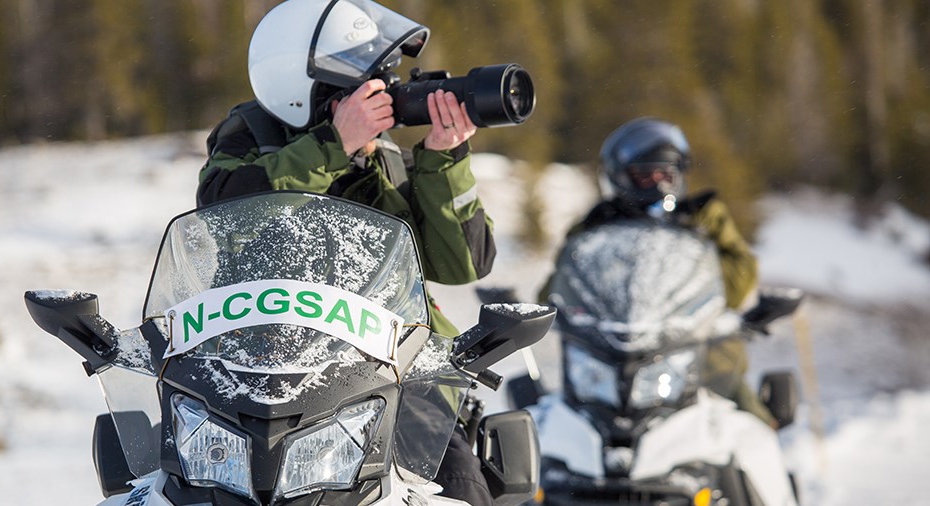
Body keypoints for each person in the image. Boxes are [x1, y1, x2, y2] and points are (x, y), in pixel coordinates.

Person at [195, 1, 494, 503]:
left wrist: (445, 159)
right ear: (309, 93)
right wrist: (333, 145)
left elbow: (462, 263)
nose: (386, 99)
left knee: (461, 485)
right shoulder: (251, 138)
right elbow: (224, 209)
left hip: (393, 369)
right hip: (262, 368)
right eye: (366, 87)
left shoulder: (386, 160)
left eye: (385, 84)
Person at [541, 117, 777, 428]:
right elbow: (560, 284)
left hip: (699, 351)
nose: (658, 184)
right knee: (549, 423)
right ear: (620, 177)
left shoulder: (703, 216)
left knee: (754, 427)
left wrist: (704, 276)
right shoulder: (596, 225)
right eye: (644, 176)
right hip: (610, 356)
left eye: (665, 175)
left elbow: (740, 274)